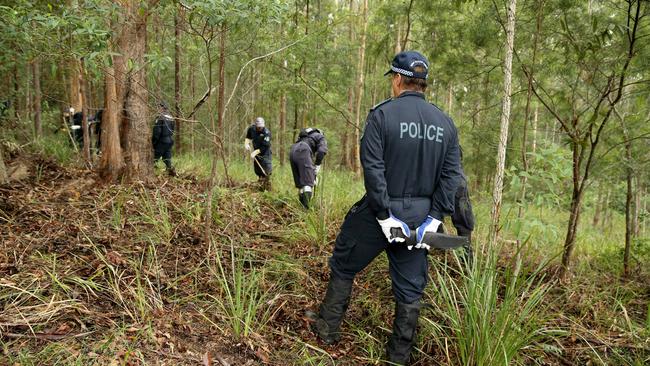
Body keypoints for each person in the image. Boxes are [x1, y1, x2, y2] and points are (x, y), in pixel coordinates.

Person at [310, 51, 462, 365]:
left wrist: (384, 215)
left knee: (343, 262)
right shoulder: (445, 124)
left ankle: (327, 331)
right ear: (422, 84)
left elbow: (373, 169)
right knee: (410, 289)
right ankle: (399, 356)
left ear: (396, 79)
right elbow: (451, 176)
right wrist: (433, 218)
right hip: (420, 219)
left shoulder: (381, 115)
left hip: (379, 213)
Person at [289, 127, 328, 208]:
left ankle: (301, 207)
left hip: (293, 150)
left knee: (301, 184)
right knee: (307, 183)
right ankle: (306, 210)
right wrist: (317, 165)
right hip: (303, 150)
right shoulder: (320, 136)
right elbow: (322, 151)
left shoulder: (305, 137)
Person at [245, 117, 272, 190]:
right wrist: (246, 143)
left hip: (265, 153)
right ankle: (260, 184)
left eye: (261, 127)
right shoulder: (252, 129)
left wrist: (255, 152)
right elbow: (248, 136)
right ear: (256, 126)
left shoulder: (267, 133)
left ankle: (267, 186)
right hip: (256, 153)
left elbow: (265, 146)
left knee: (266, 170)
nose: (260, 128)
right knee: (258, 170)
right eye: (258, 127)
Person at [152, 101, 176, 176]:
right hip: (169, 141)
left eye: (159, 107)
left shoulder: (160, 118)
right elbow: (172, 130)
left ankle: (152, 172)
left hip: (161, 141)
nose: (158, 108)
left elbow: (157, 132)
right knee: (167, 158)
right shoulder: (171, 117)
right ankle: (171, 172)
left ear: (162, 107)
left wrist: (154, 142)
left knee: (154, 158)